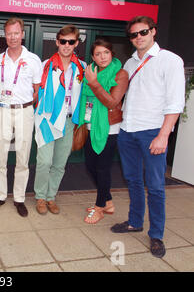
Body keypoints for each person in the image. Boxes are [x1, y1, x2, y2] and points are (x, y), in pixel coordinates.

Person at [110, 16, 185, 258]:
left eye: (143, 32)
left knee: (155, 186)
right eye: (133, 35)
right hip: (128, 131)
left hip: (153, 132)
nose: (138, 37)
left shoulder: (170, 61)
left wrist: (164, 135)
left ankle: (156, 235)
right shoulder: (130, 64)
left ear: (153, 31)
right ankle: (134, 222)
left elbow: (175, 103)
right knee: (132, 181)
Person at [0, 17, 42, 217]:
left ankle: (19, 198)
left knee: (23, 156)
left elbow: (37, 90)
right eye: (9, 33)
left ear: (23, 34)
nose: (13, 37)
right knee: (0, 155)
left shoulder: (33, 60)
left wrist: (24, 104)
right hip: (2, 110)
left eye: (16, 33)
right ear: (5, 35)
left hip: (24, 110)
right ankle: (0, 195)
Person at [34, 25, 86, 215]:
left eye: (71, 41)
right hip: (47, 119)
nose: (66, 45)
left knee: (59, 163)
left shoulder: (82, 67)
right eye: (63, 41)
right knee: (44, 162)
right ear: (57, 42)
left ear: (76, 43)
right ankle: (40, 196)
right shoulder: (45, 65)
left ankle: (50, 197)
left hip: (69, 120)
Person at [77, 38, 129, 224]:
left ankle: (99, 208)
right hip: (91, 126)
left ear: (112, 53)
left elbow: (112, 102)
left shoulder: (120, 74)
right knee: (90, 166)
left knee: (103, 169)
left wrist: (94, 83)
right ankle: (107, 201)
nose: (102, 57)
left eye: (105, 52)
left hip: (109, 128)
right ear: (93, 57)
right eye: (98, 54)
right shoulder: (91, 72)